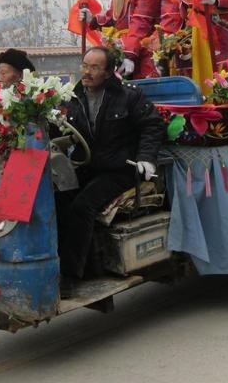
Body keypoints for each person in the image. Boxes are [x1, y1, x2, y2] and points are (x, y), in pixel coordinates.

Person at [53, 46, 165, 290]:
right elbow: (57, 129)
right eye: (85, 65)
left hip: (120, 168)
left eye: (95, 67)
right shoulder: (73, 98)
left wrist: (146, 158)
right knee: (57, 201)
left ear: (108, 72)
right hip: (87, 166)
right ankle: (77, 263)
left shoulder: (128, 96)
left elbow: (152, 125)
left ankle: (70, 277)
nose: (87, 72)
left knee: (82, 207)